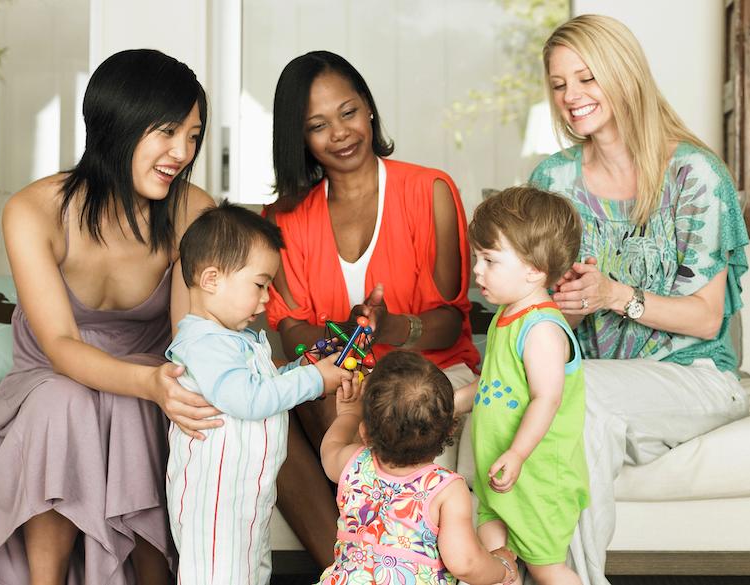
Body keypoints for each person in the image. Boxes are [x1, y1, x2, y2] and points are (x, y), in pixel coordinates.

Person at [0, 49, 218, 585]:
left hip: (150, 380)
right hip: (48, 383)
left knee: (132, 404)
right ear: (117, 124)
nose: (182, 152)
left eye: (194, 136)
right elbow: (59, 343)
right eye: (168, 132)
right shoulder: (34, 211)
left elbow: (188, 338)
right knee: (67, 399)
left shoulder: (192, 212)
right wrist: (148, 382)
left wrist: (163, 383)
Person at [527, 14, 750, 585]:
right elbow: (542, 305)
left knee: (578, 398)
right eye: (559, 85)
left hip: (693, 374)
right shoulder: (553, 181)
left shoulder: (695, 175)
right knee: (545, 404)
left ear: (623, 75)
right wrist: (569, 306)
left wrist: (612, 293)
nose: (571, 97)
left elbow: (704, 319)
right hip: (595, 374)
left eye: (586, 78)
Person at [264, 50, 480, 564]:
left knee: (332, 394)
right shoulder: (284, 219)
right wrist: (347, 334)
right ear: (300, 139)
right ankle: (353, 566)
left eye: (348, 112)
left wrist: (389, 327)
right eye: (317, 125)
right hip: (342, 380)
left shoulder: (429, 191)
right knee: (271, 408)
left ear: (369, 109)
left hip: (424, 375)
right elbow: (293, 332)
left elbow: (450, 322)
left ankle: (365, 566)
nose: (340, 133)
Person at [165, 203, 352, 585]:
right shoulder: (204, 343)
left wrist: (300, 370)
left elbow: (260, 386)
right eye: (259, 285)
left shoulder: (235, 340)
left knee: (251, 574)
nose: (267, 299)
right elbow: (248, 400)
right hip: (214, 506)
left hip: (246, 498)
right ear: (212, 279)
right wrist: (315, 380)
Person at [454, 186, 588, 585]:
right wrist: (447, 404)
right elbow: (490, 386)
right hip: (500, 473)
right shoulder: (506, 316)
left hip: (538, 477)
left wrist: (516, 452)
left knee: (548, 570)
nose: (477, 271)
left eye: (489, 260)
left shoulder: (542, 328)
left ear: (534, 269)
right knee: (492, 553)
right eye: (478, 258)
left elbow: (546, 399)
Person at [316, 350, 517, 585]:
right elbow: (465, 563)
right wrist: (501, 567)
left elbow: (330, 447)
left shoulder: (353, 463)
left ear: (365, 432)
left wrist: (349, 413)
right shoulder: (446, 489)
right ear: (451, 429)